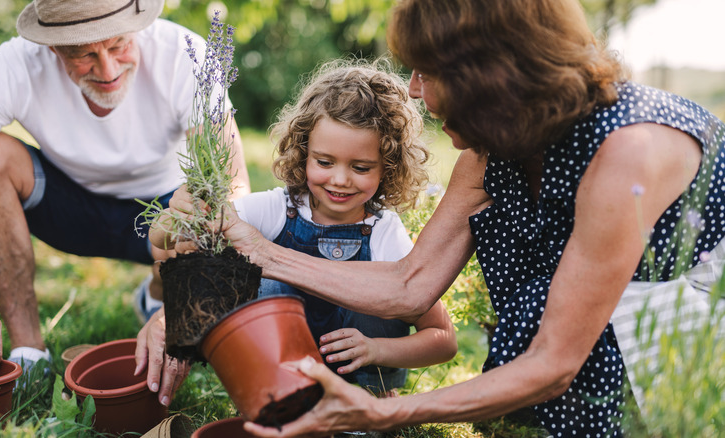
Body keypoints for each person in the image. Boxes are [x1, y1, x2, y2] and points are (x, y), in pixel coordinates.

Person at [163, 0, 723, 436]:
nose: (412, 91)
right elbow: (411, 284)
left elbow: (555, 361)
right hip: (589, 312)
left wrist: (384, 412)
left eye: (427, 73)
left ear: (492, 76)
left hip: (691, 316)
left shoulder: (626, 153)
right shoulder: (491, 150)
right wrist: (251, 249)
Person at [0, 0, 250, 404]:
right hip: (68, 208)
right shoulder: (15, 64)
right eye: (84, 54)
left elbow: (234, 190)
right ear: (53, 48)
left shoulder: (183, 54)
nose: (108, 70)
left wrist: (181, 307)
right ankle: (30, 353)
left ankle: (156, 297)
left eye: (119, 45)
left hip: (162, 215)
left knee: (205, 208)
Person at [146, 60, 458, 396]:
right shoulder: (277, 209)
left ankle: (375, 396)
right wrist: (176, 214)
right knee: (263, 285)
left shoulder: (384, 232)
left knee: (382, 296)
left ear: (388, 167)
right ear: (303, 153)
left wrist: (378, 349)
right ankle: (275, 393)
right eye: (324, 162)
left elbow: (443, 340)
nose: (340, 179)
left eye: (361, 167)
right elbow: (164, 238)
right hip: (281, 381)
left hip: (359, 386)